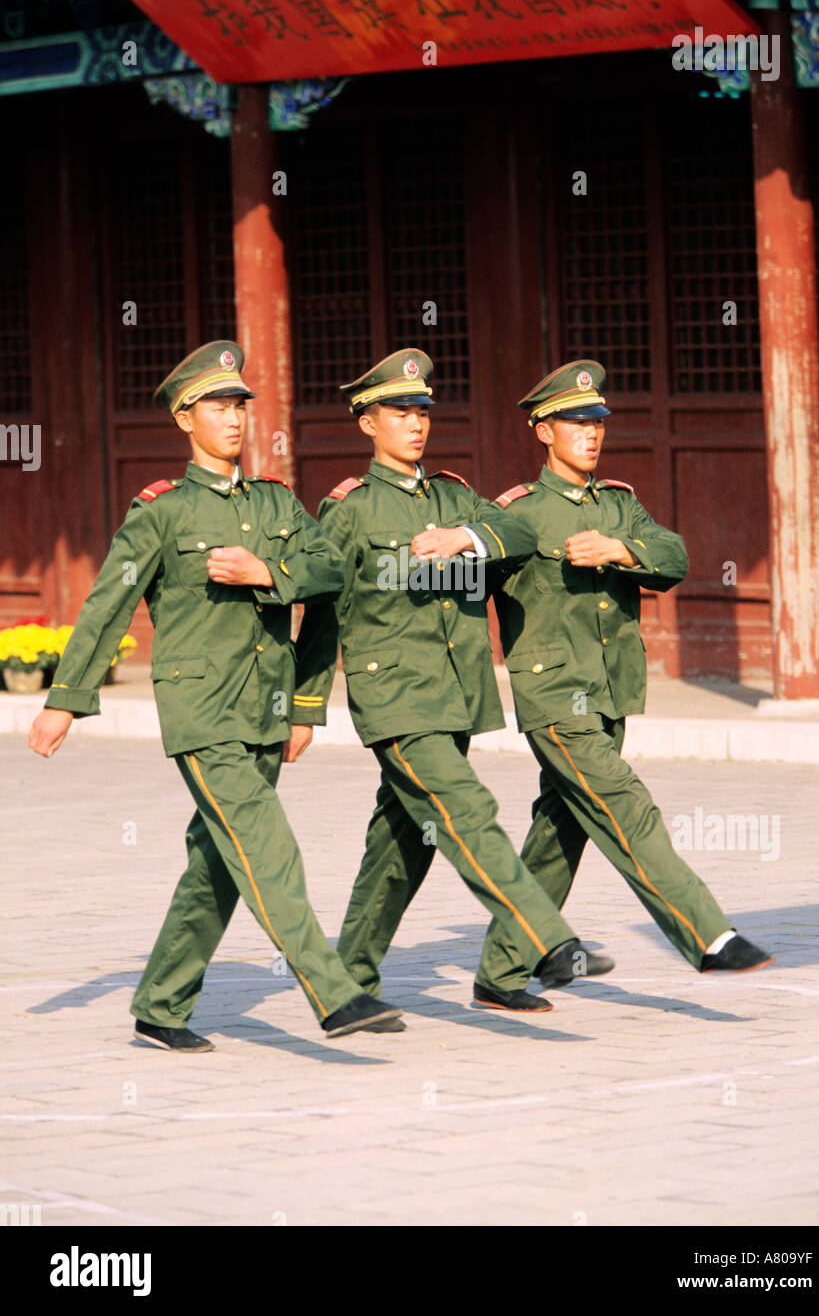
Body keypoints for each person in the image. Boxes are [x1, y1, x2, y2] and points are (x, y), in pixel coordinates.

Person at [28, 341, 403, 1050]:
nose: (233, 418)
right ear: (183, 418)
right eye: (216, 406)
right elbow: (108, 604)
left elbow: (329, 571)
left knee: (219, 860)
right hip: (202, 713)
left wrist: (270, 571)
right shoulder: (160, 513)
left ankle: (162, 1003)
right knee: (265, 846)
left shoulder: (274, 502)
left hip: (263, 706)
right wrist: (64, 700)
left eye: (239, 405)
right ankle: (334, 991)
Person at [291, 347, 613, 1014]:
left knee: (402, 842)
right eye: (397, 410)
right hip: (395, 699)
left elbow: (518, 534)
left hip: (458, 697)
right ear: (366, 424)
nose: (414, 421)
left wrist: (465, 535)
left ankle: (346, 984)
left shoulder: (455, 495)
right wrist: (303, 706)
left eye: (421, 409)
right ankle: (545, 940)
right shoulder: (349, 509)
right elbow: (324, 609)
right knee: (466, 810)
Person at [474, 359, 774, 1009]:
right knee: (625, 804)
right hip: (555, 696)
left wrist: (622, 551)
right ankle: (707, 934)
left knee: (563, 827)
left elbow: (676, 556)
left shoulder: (619, 504)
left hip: (611, 690)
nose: (591, 432)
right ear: (542, 432)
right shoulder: (519, 514)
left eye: (597, 420)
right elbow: (470, 571)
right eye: (574, 422)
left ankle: (500, 972)